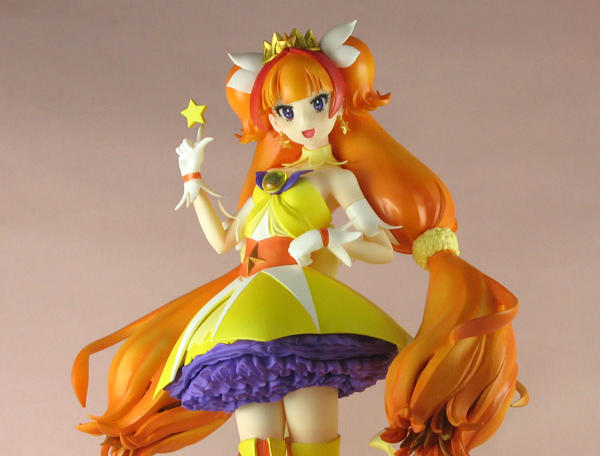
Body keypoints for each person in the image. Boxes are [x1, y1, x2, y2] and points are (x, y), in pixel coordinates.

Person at [72, 21, 527, 456]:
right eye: (287, 111)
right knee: (258, 437)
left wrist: (325, 237)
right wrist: (193, 181)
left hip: (303, 313)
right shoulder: (267, 182)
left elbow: (381, 249)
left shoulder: (336, 179)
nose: (304, 119)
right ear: (272, 118)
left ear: (337, 102)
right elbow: (224, 241)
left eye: (317, 102)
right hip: (248, 316)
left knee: (312, 434)